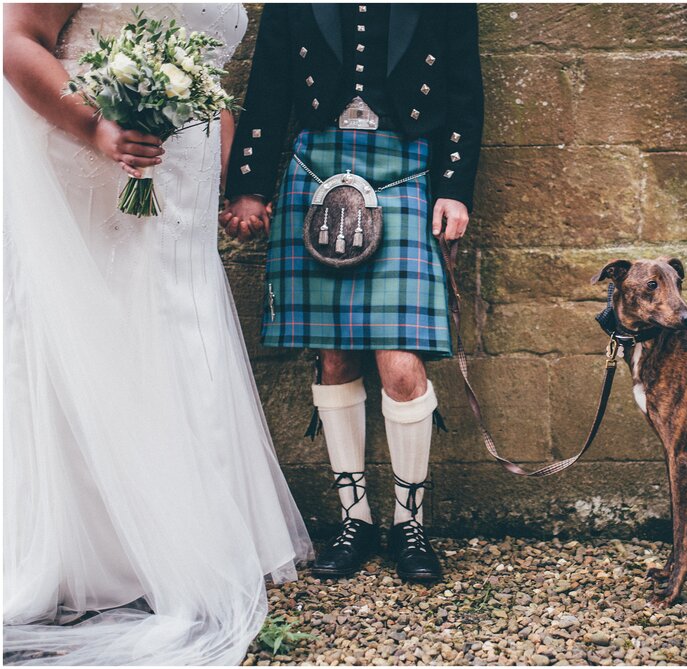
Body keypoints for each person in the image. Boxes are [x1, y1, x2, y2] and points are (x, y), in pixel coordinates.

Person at [3, 4, 312, 664]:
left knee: (180, 332)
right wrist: (95, 126)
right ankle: (105, 555)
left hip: (185, 185)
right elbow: (15, 41)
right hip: (99, 165)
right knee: (112, 343)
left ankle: (185, 542)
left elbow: (205, 76)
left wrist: (239, 177)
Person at [220, 4, 484, 583]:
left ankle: (408, 524)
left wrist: (455, 187)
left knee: (401, 365)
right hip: (316, 168)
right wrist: (249, 185)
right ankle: (354, 520)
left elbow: (465, 91)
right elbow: (267, 87)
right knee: (334, 355)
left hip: (408, 169)